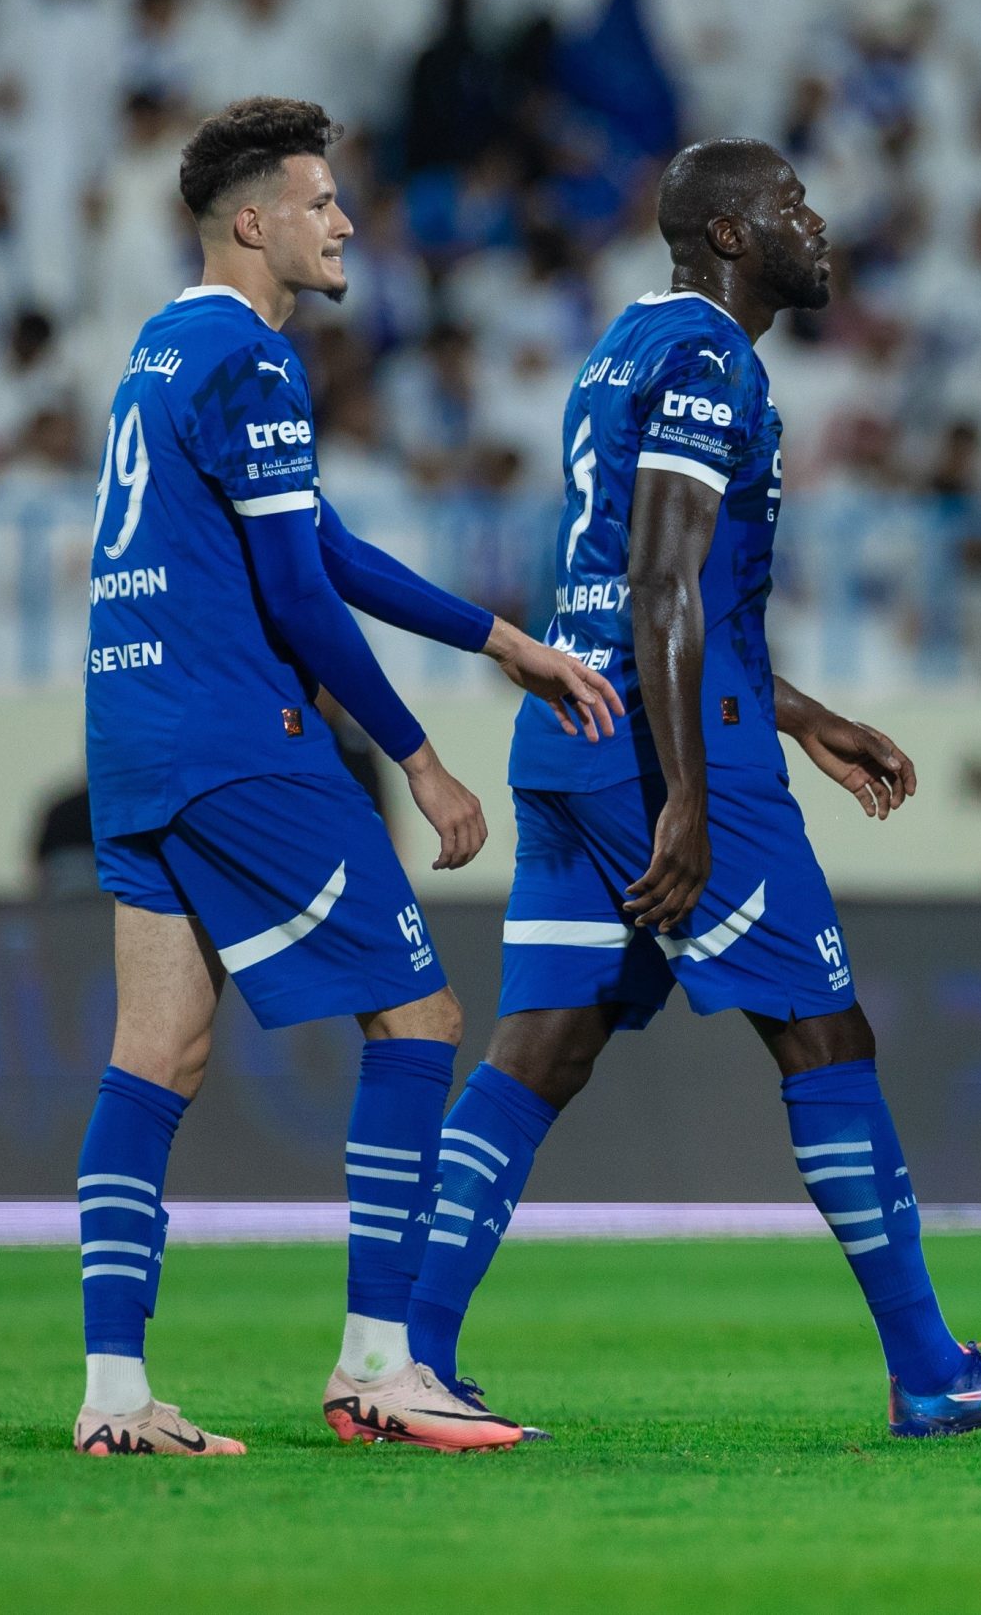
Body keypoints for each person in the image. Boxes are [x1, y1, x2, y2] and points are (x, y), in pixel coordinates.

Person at [398, 137, 981, 1441]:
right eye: (790, 206)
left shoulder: (618, 351)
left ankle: (409, 1351)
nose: (814, 225)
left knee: (540, 1050)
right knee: (827, 1034)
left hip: (566, 734)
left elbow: (639, 591)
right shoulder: (714, 357)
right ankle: (931, 1366)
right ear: (724, 235)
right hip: (664, 749)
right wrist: (692, 793)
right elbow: (663, 580)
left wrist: (808, 713)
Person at [69, 97, 621, 1458]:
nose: (346, 224)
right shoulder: (254, 362)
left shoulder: (163, 345)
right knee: (422, 1019)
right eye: (321, 203)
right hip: (236, 737)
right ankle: (383, 1362)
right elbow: (305, 600)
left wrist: (502, 641)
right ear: (252, 221)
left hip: (132, 741)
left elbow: (323, 541)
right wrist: (425, 759)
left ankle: (113, 1393)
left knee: (158, 1050)